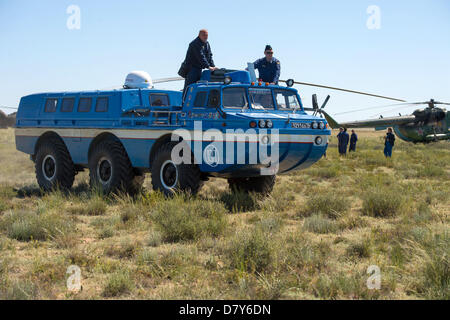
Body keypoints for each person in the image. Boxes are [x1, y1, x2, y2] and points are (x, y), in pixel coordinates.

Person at [183, 29, 218, 96]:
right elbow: (200, 56)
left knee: (199, 87)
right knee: (190, 87)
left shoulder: (207, 44)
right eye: (204, 35)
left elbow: (209, 56)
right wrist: (208, 66)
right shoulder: (195, 44)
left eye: (207, 35)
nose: (206, 37)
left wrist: (213, 66)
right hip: (192, 69)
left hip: (199, 69)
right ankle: (184, 103)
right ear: (199, 35)